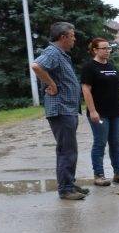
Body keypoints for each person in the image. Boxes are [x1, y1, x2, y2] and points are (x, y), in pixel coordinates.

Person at [32, 22, 89, 200]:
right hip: (61, 108)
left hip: (67, 109)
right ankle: (66, 189)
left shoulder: (61, 54)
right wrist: (51, 84)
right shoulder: (53, 52)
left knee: (68, 149)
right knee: (67, 150)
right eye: (72, 36)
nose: (74, 39)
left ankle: (68, 183)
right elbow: (36, 66)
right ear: (63, 37)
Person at [81, 38, 119, 186]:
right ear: (95, 50)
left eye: (108, 48)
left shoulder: (111, 66)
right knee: (100, 143)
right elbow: (86, 90)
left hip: (115, 112)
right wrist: (92, 111)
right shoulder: (89, 67)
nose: (107, 51)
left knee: (115, 143)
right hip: (99, 112)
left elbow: (118, 89)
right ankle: (99, 175)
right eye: (104, 48)